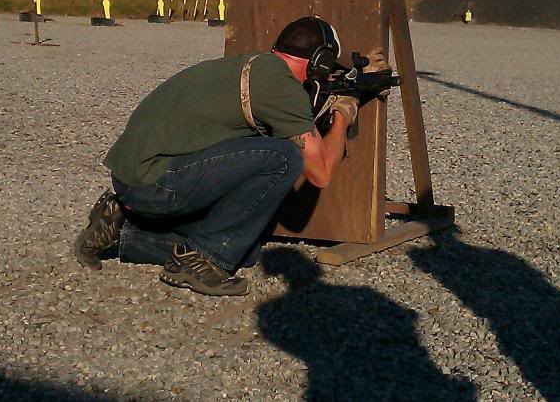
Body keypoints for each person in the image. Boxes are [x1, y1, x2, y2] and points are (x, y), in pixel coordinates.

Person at [73, 16, 383, 296]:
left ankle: (120, 230)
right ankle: (201, 260)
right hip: (154, 184)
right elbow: (321, 173)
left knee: (240, 250)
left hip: (134, 176)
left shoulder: (256, 66)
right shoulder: (280, 88)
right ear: (320, 61)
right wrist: (344, 111)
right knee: (285, 156)